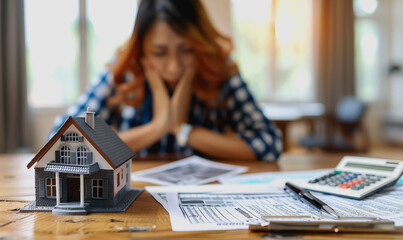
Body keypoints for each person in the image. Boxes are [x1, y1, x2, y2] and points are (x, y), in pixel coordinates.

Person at [51, 0, 282, 161]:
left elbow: (270, 144)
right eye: (160, 53)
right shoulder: (124, 72)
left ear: (200, 45)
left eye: (187, 50)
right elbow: (58, 143)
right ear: (142, 51)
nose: (174, 67)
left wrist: (182, 129)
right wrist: (157, 127)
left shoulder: (219, 73)